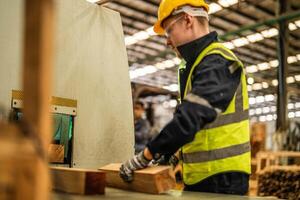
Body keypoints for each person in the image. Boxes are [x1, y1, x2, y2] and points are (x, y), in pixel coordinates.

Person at [120, 0, 251, 195]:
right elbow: (202, 128)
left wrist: (146, 155)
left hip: (222, 179)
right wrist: (172, 153)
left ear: (187, 20)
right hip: (204, 176)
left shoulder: (218, 61)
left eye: (169, 31)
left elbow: (191, 118)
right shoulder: (198, 64)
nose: (167, 41)